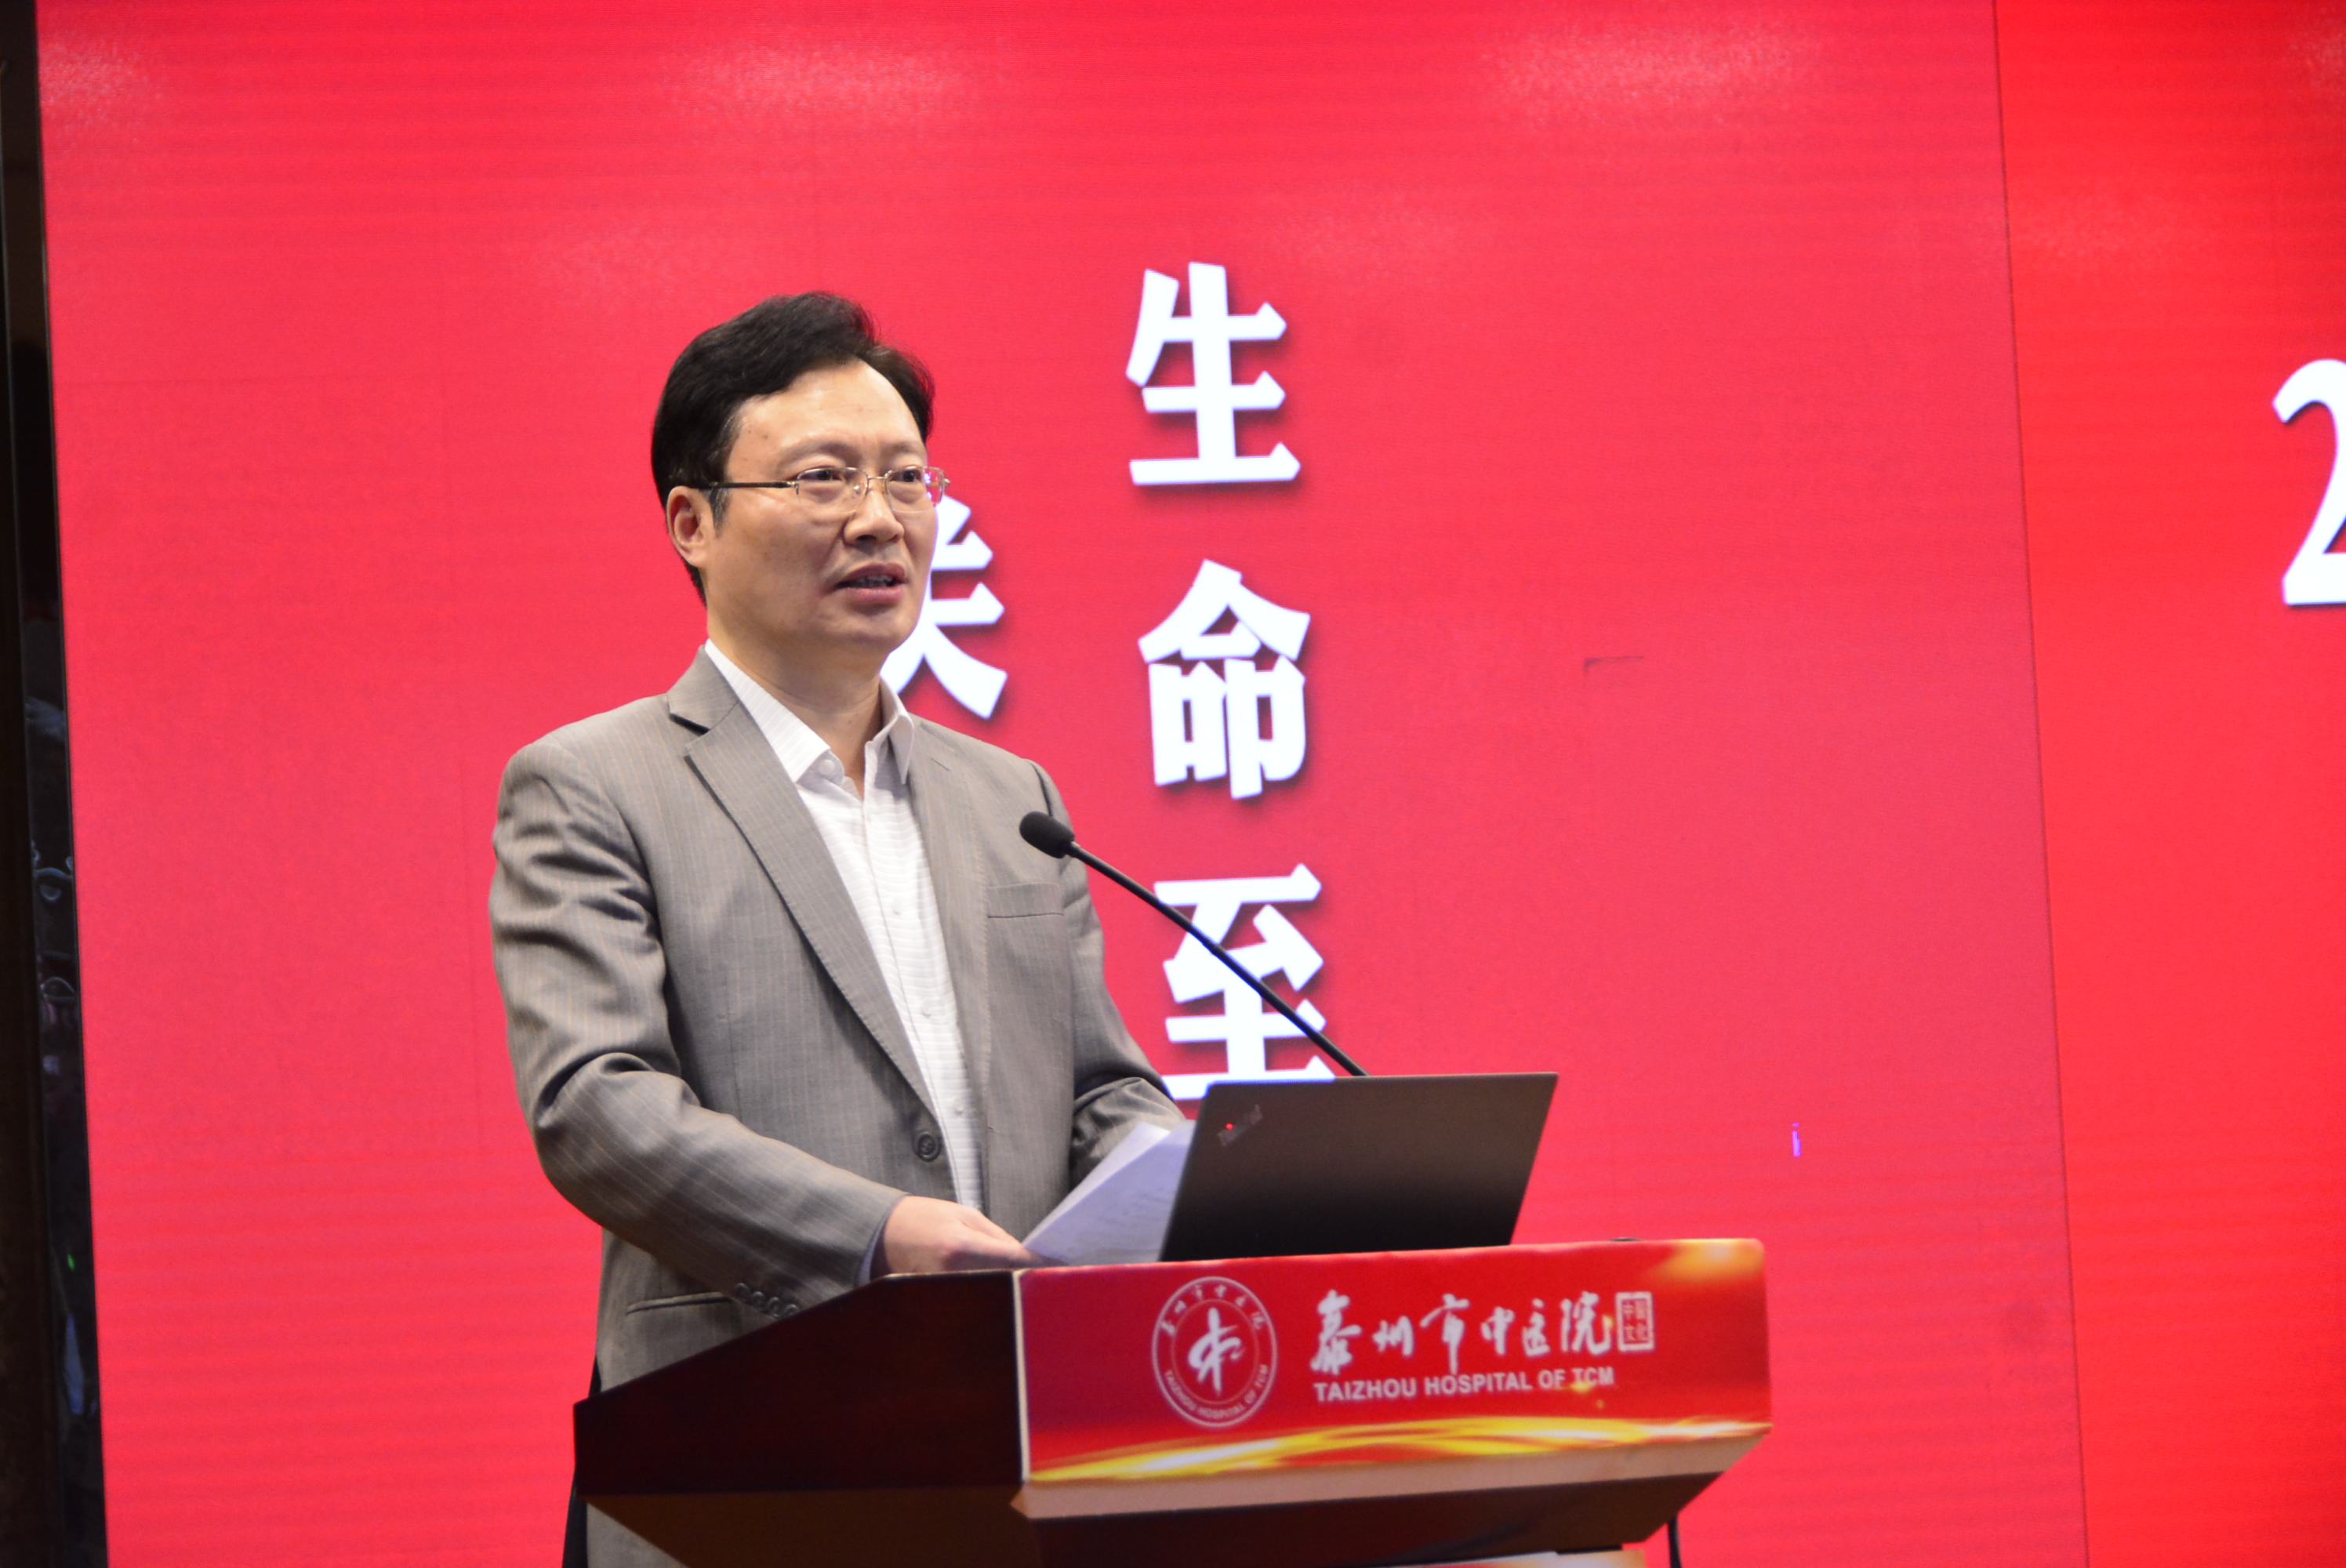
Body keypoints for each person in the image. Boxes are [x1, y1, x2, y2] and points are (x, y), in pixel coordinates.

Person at [490, 293, 1182, 1567]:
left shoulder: (1011, 798)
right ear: (693, 523)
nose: (879, 518)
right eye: (823, 479)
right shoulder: (593, 786)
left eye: (907, 478)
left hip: (1024, 1456)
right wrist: (877, 1234)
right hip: (750, 1454)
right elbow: (596, 1107)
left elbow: (1100, 1086)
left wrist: (1173, 1176)